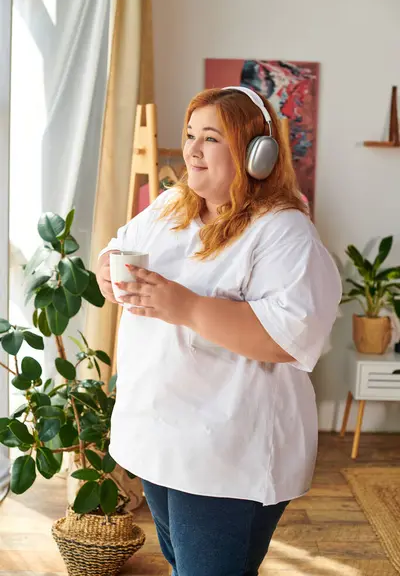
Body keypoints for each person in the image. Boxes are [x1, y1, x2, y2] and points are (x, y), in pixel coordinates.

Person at [96, 86, 342, 576]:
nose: (191, 150)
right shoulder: (172, 207)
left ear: (257, 155)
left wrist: (183, 305)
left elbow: (287, 337)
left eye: (210, 138)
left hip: (225, 447)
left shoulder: (282, 231)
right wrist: (107, 270)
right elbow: (116, 248)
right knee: (181, 562)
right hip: (158, 434)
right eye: (190, 135)